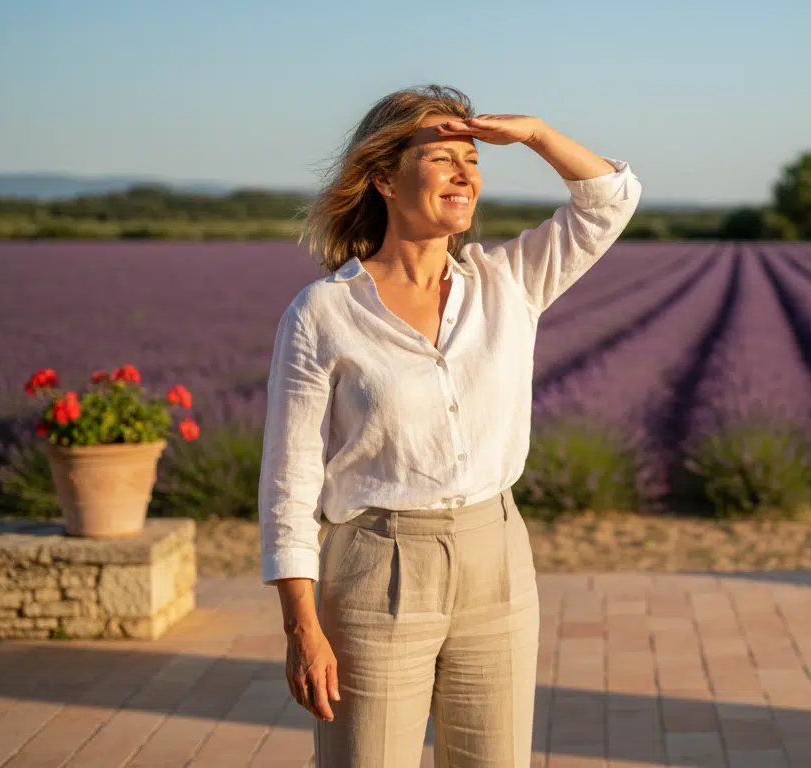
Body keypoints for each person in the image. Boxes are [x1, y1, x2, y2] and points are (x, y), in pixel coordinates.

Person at [257, 84, 642, 767]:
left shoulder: (508, 284)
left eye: (474, 159)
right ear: (383, 178)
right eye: (443, 157)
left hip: (497, 559)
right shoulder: (323, 313)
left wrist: (533, 134)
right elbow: (288, 483)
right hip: (376, 569)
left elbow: (610, 198)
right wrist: (301, 627)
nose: (467, 173)